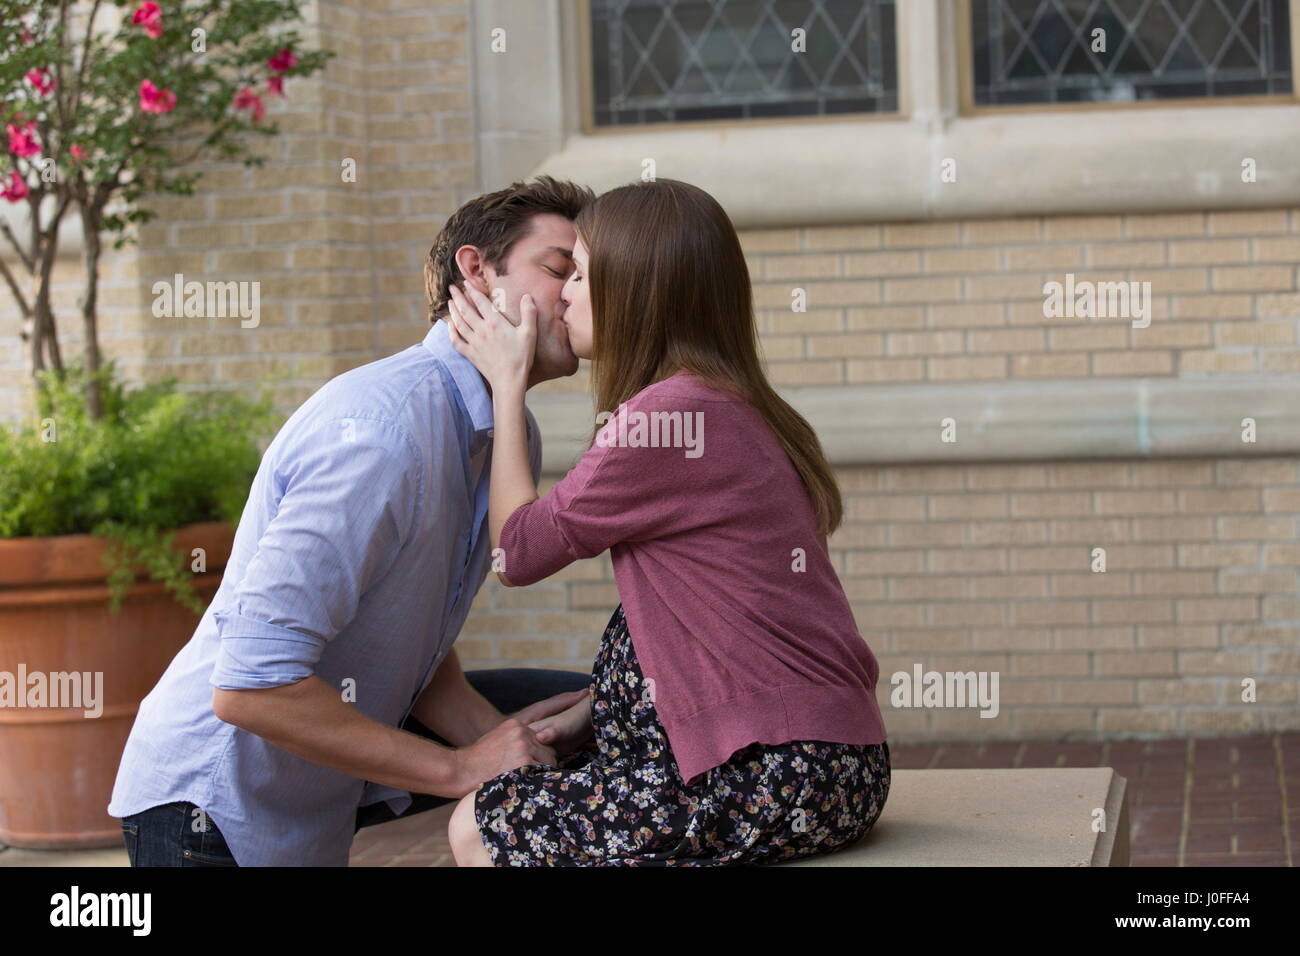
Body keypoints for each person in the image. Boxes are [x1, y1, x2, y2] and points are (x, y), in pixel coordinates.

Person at [108, 176, 604, 866]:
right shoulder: (381, 432)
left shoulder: (503, 432)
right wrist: (463, 769)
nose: (578, 294)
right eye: (559, 269)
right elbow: (250, 683)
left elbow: (413, 646)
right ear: (475, 270)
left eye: (586, 276)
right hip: (209, 813)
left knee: (584, 714)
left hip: (304, 803)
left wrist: (500, 747)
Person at [442, 177, 890, 867]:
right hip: (813, 761)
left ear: (635, 289)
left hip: (780, 770)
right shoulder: (727, 402)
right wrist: (593, 712)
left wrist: (507, 385)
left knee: (482, 823)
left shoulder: (668, 419)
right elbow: (725, 618)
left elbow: (519, 553)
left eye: (581, 274)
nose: (564, 294)